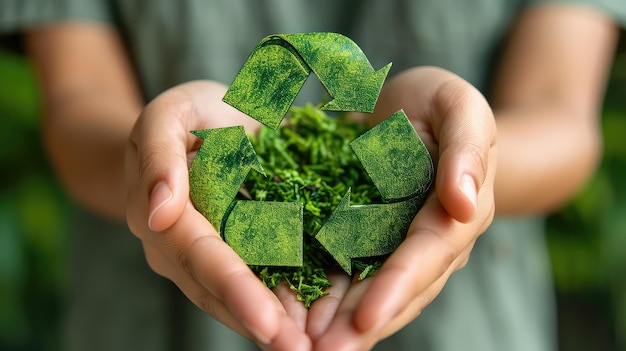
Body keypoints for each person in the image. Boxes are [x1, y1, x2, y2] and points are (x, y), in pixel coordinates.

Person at [1, 0, 624, 350]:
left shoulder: (399, 160)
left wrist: (465, 161)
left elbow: (562, 114)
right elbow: (79, 105)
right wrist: (160, 158)